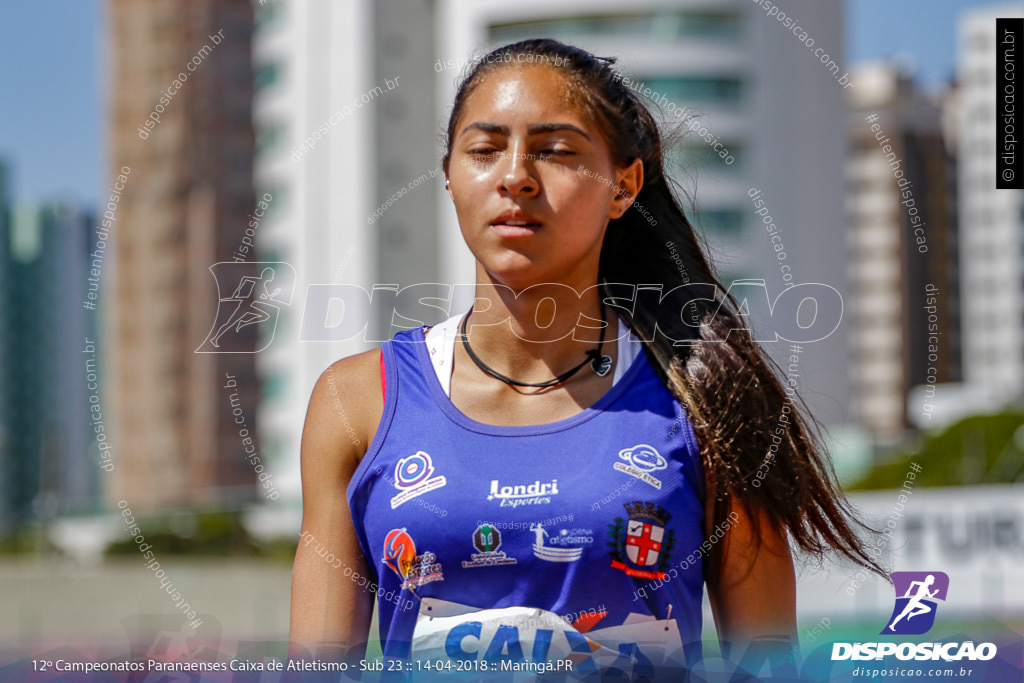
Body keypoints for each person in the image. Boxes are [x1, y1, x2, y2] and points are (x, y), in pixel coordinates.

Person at [290, 39, 883, 676]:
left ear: (623, 185)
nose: (515, 175)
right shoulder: (357, 401)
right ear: (450, 175)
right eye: (485, 150)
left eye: (556, 151)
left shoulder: (708, 398)